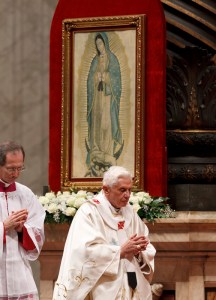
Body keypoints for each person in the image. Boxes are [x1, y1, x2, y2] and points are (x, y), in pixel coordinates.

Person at [53, 166, 156, 299]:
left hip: (131, 282)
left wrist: (139, 252)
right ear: (106, 190)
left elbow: (146, 245)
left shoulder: (130, 212)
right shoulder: (89, 212)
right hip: (103, 287)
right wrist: (119, 252)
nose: (128, 195)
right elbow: (83, 252)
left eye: (130, 190)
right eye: (122, 190)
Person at [0, 141, 45, 300]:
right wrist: (4, 226)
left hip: (20, 273)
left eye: (20, 168)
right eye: (11, 169)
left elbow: (37, 232)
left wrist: (22, 230)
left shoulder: (25, 194)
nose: (16, 173)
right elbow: (5, 226)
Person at [85, 33, 124, 177]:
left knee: (106, 124)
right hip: (97, 98)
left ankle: (107, 151)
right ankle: (96, 150)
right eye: (97, 45)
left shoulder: (112, 59)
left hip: (107, 98)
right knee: (97, 123)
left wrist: (106, 77)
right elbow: (90, 80)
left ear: (105, 44)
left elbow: (117, 80)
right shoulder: (95, 61)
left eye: (101, 44)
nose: (99, 47)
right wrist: (96, 78)